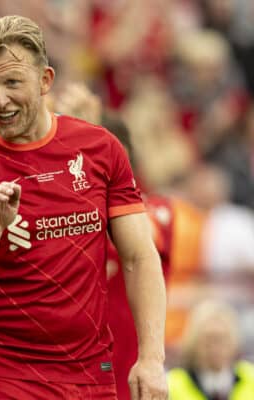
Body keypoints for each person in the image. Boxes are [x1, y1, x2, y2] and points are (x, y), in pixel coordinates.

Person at [0, 15, 167, 399]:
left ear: (45, 81)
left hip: (90, 369)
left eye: (12, 83)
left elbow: (140, 257)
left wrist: (152, 359)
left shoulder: (101, 148)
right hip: (2, 370)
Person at [54, 83, 175, 400]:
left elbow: (128, 232)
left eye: (105, 152)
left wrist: (86, 136)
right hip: (70, 378)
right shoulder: (66, 213)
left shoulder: (159, 211)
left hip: (131, 381)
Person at [167, 299, 254, 399]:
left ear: (234, 341)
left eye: (222, 338)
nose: (215, 347)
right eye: (208, 339)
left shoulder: (250, 378)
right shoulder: (173, 383)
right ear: (194, 342)